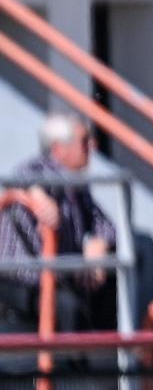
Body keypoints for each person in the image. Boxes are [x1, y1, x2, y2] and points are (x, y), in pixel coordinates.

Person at [2, 112, 118, 334]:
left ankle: (112, 361)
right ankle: (75, 367)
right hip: (19, 280)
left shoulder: (76, 185)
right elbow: (23, 178)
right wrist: (37, 197)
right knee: (68, 307)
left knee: (110, 286)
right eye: (84, 141)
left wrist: (98, 245)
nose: (92, 146)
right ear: (58, 149)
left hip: (56, 278)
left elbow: (105, 224)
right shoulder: (42, 168)